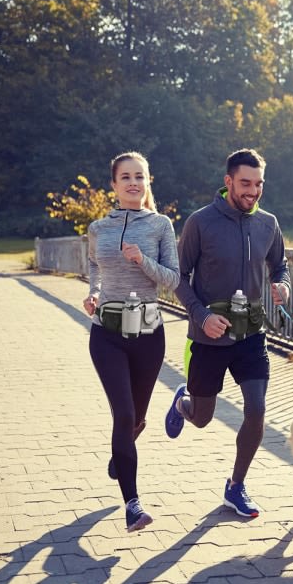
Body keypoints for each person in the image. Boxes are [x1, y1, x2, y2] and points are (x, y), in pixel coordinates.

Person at [164, 148, 290, 518]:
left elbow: (280, 265)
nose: (252, 191)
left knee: (256, 410)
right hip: (209, 338)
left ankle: (235, 486)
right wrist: (201, 316)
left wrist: (282, 285)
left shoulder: (268, 222)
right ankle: (182, 402)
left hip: (251, 334)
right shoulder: (200, 223)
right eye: (245, 183)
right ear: (228, 182)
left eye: (259, 184)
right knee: (202, 418)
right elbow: (178, 278)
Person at [83, 151, 179, 532]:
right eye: (126, 177)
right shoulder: (98, 227)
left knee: (135, 420)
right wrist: (94, 292)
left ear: (148, 182)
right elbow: (93, 263)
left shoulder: (160, 225)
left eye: (140, 176)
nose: (133, 183)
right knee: (123, 415)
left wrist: (143, 261)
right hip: (106, 334)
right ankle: (133, 505)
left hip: (148, 336)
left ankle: (119, 452)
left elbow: (172, 279)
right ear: (114, 184)